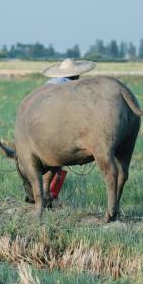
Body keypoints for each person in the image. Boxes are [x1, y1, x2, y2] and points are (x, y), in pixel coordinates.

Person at [40, 58, 96, 203]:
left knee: (51, 162)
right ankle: (51, 194)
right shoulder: (72, 87)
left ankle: (46, 194)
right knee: (59, 160)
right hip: (58, 125)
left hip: (40, 125)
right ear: (76, 75)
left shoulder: (48, 84)